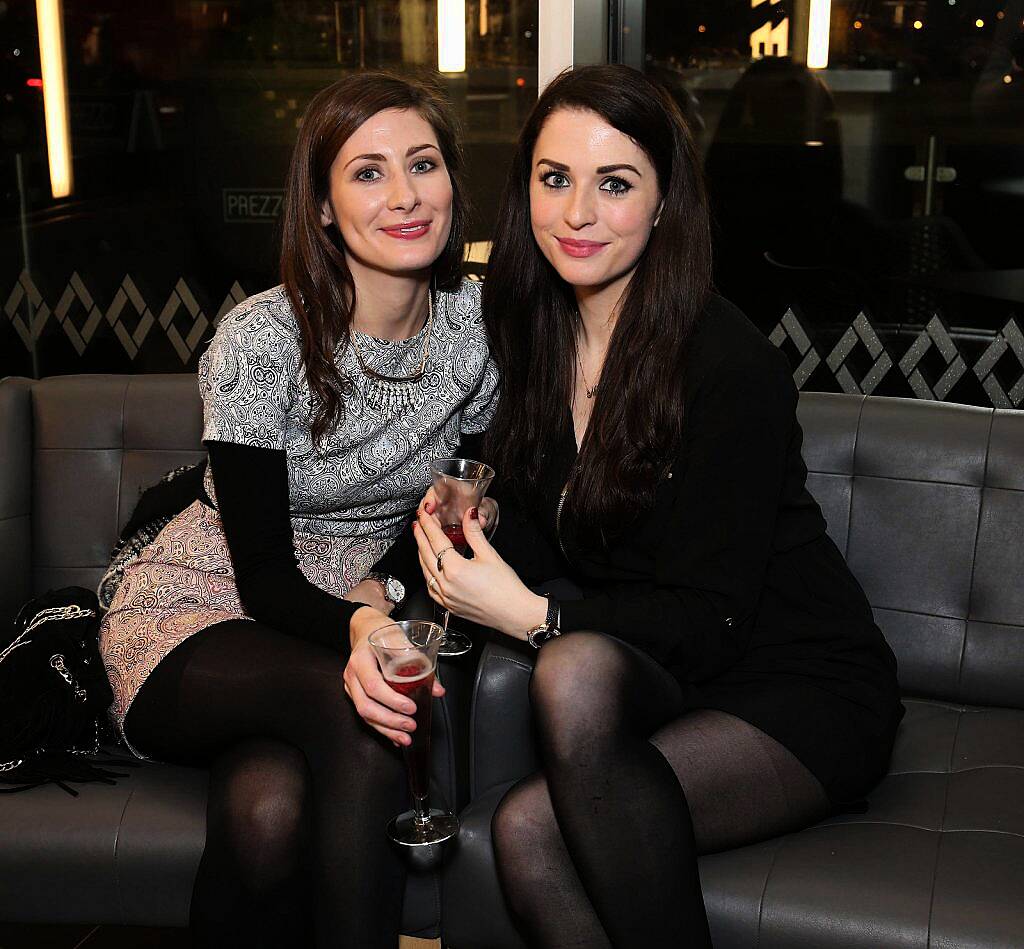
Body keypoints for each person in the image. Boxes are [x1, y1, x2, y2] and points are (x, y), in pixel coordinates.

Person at [411, 65, 903, 948]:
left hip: (793, 685)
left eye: (616, 183)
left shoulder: (726, 364)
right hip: (664, 678)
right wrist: (485, 516)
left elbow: (709, 617)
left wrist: (530, 615)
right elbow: (570, 527)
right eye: (555, 179)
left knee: (569, 672)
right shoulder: (537, 338)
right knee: (525, 826)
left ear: (666, 200)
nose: (577, 214)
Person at [98, 72, 497, 949]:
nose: (404, 195)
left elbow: (470, 489)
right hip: (203, 611)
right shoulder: (262, 341)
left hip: (347, 610)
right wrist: (362, 624)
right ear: (320, 207)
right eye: (366, 173)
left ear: (452, 184)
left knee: (267, 813)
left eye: (423, 165)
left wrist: (406, 564)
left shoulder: (475, 335)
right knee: (357, 706)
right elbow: (269, 581)